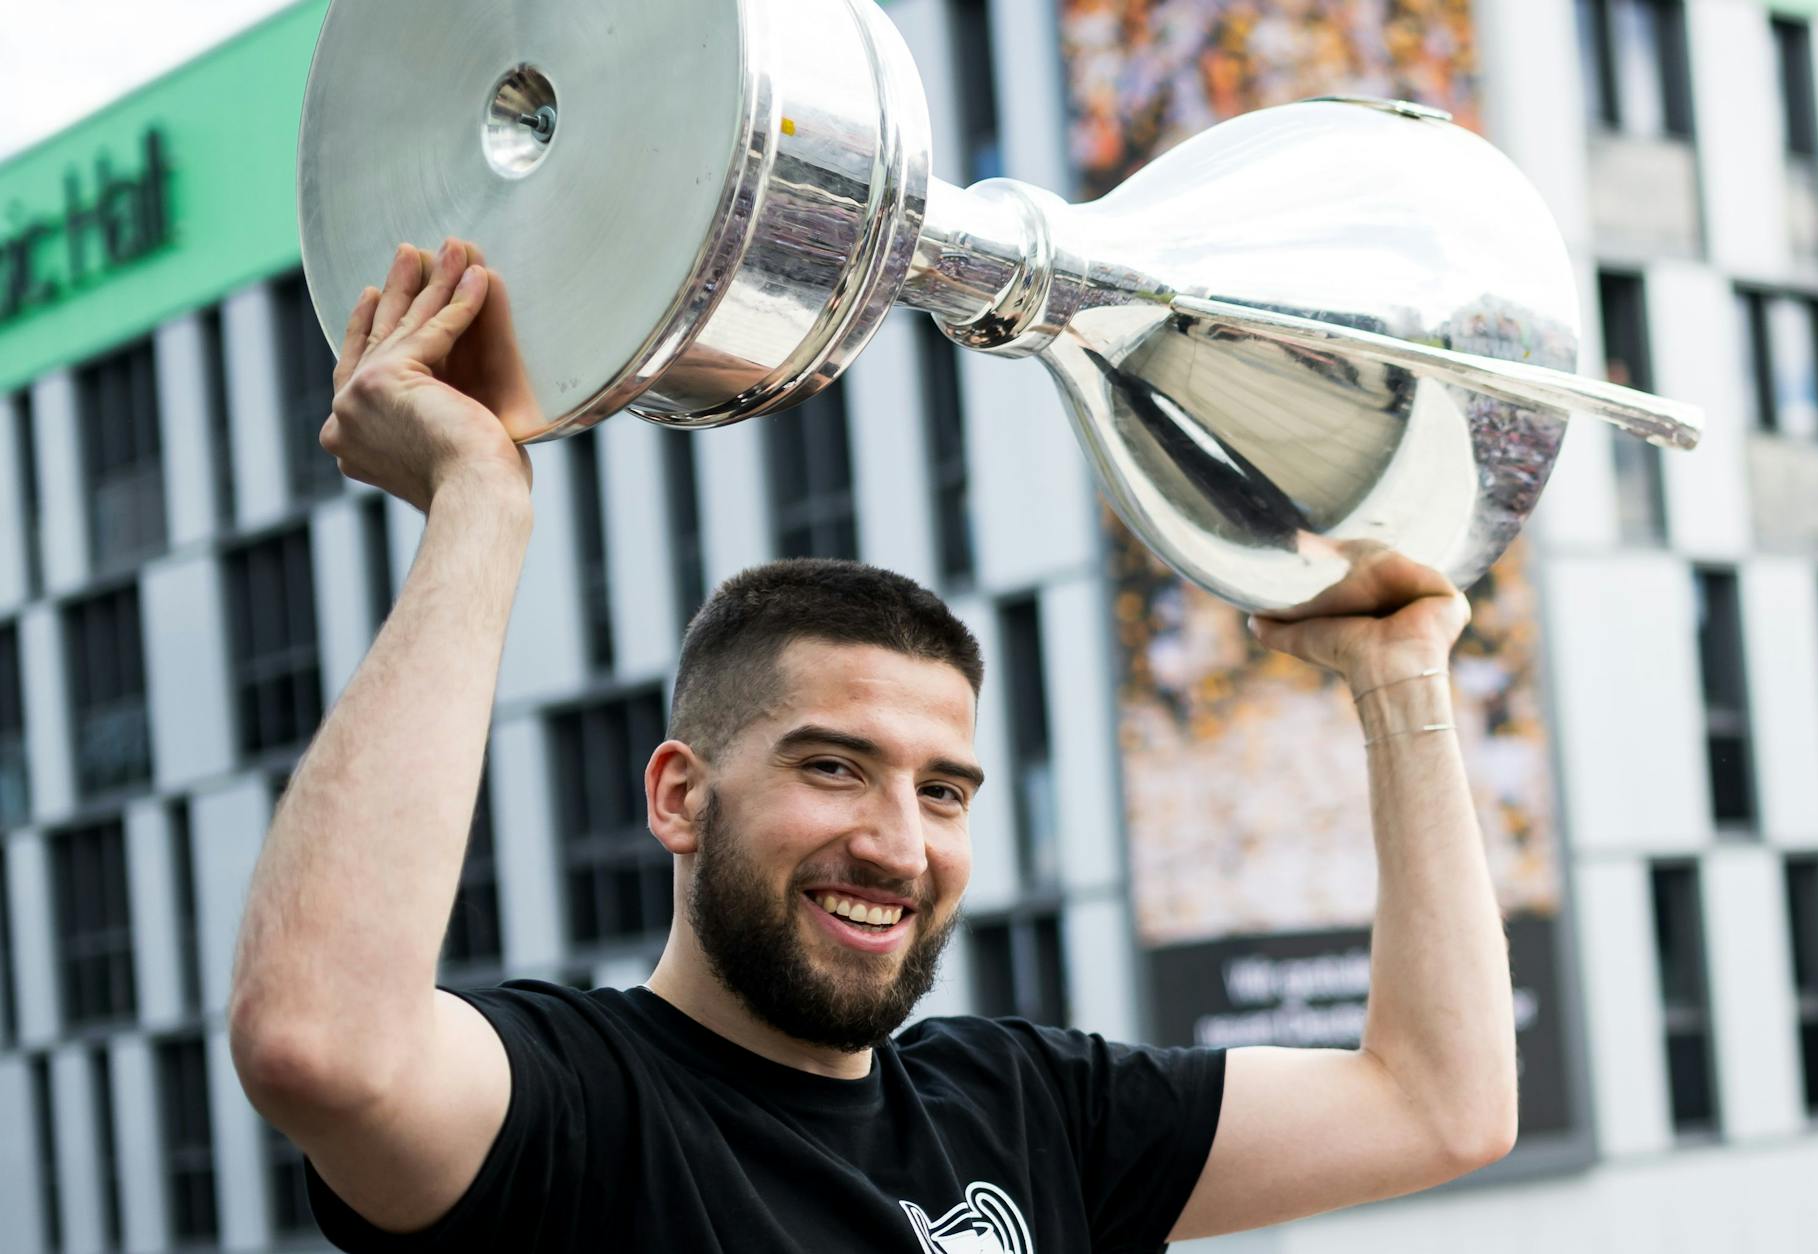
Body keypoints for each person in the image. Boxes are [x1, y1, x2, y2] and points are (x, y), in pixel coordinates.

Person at [228, 238, 1516, 1252]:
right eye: (832, 765)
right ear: (680, 794)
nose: (898, 843)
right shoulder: (579, 1107)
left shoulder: (1036, 1112)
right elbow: (321, 1045)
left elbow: (1440, 1105)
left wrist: (1402, 683)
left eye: (943, 790)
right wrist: (478, 504)